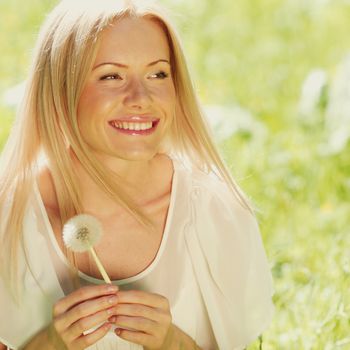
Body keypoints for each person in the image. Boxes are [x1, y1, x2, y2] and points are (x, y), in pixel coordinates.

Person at [0, 0, 274, 349]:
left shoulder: (215, 213)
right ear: (59, 89)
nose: (141, 98)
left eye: (158, 74)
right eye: (111, 76)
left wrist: (173, 343)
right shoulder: (10, 215)